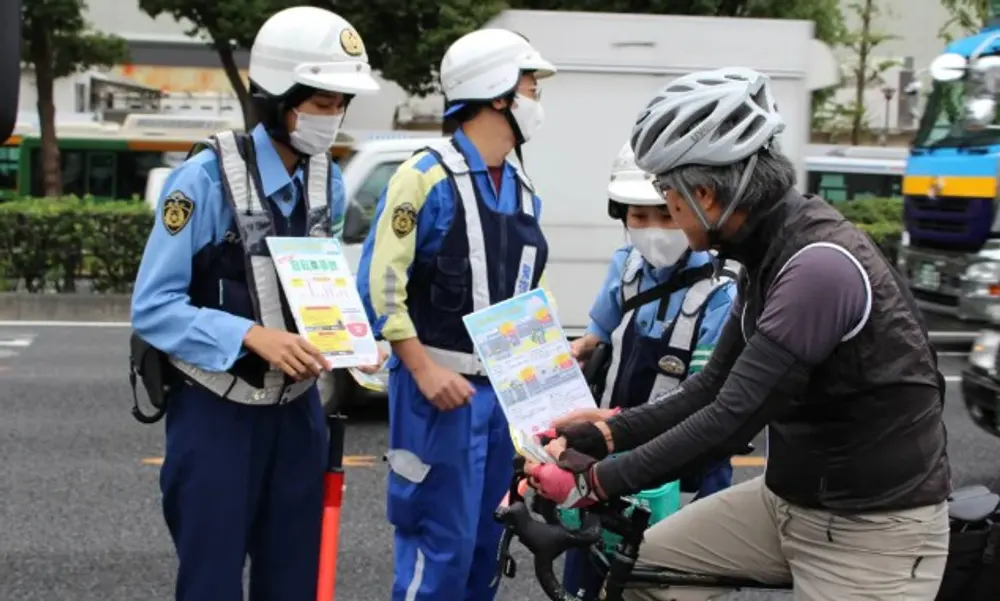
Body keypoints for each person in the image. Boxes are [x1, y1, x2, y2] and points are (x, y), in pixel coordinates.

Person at [525, 67, 951, 601]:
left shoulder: (818, 268)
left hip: (872, 532)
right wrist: (602, 436)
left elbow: (732, 418)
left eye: (667, 194)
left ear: (704, 194)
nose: (666, 214)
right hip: (786, 504)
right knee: (642, 576)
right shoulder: (761, 254)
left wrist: (594, 483)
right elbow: (709, 387)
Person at [129, 7, 382, 601]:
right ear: (276, 97)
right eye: (321, 103)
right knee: (212, 583)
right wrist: (247, 335)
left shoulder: (330, 181)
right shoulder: (204, 179)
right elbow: (154, 307)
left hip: (298, 413)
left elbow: (319, 288)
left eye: (341, 103)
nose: (333, 117)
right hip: (217, 412)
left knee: (293, 579)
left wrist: (351, 340)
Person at [355, 28, 556, 601]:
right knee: (435, 549)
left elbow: (529, 291)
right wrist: (420, 369)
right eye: (529, 85)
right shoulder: (423, 176)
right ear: (497, 93)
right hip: (435, 396)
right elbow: (380, 283)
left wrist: (549, 385)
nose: (536, 97)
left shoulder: (522, 187)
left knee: (486, 549)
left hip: (500, 401)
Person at [560, 141, 738, 601]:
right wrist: (575, 353)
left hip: (686, 467)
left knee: (664, 582)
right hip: (608, 452)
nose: (654, 229)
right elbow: (599, 330)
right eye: (638, 217)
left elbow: (706, 391)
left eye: (665, 214)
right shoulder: (626, 267)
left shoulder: (721, 291)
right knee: (587, 569)